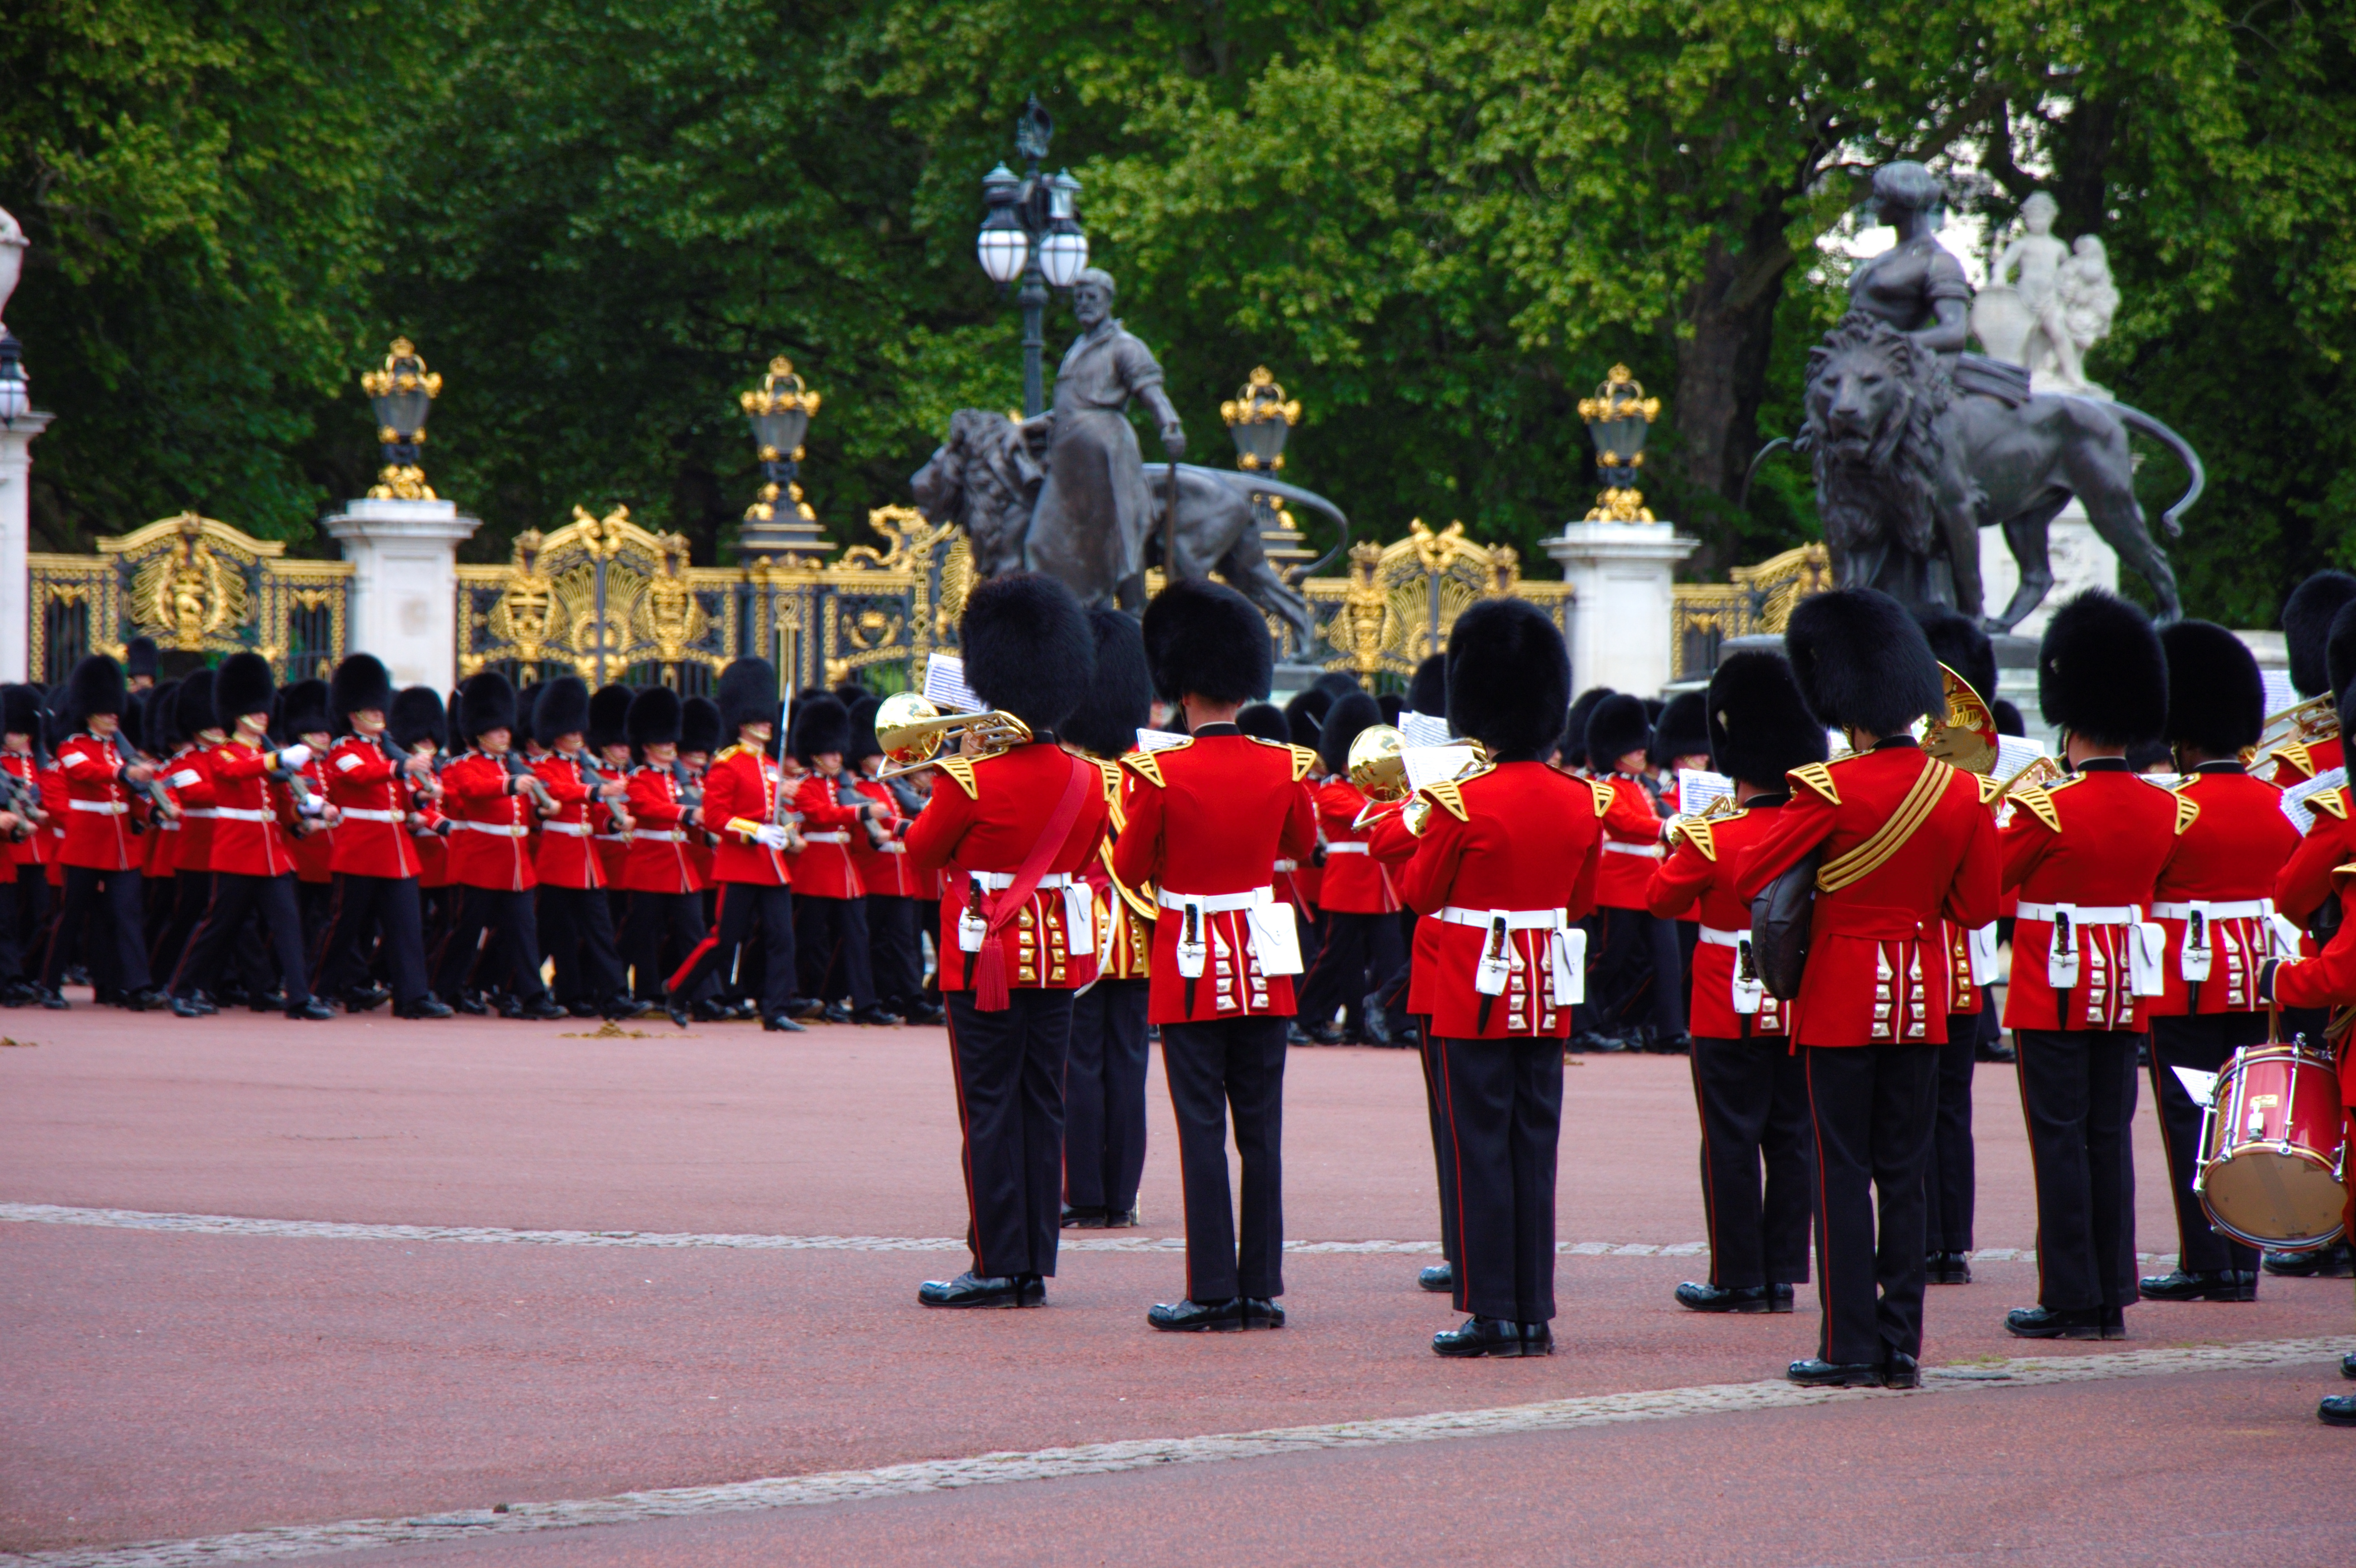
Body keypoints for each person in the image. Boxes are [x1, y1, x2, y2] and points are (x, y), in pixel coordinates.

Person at [1736, 588, 1998, 1390]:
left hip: (1842, 1000)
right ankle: (1901, 1343)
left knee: (1841, 1170)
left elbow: (1749, 872)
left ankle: (1849, 1343)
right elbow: (1976, 907)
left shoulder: (1831, 789)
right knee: (1905, 1173)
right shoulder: (1962, 791)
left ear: (1847, 707)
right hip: (1922, 1000)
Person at [1386, 599, 1603, 1357]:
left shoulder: (1460, 801)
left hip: (1471, 991)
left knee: (1478, 1146)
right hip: (1545, 990)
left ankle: (1491, 1312)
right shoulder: (1582, 801)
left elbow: (1420, 893)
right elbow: (1582, 901)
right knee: (1533, 1146)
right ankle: (1534, 1312)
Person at [1115, 579, 1317, 1331]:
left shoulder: (1159, 772)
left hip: (1192, 965)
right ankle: (1259, 1288)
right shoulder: (1283, 765)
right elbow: (1302, 844)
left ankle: (1210, 1290)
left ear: (1181, 687)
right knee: (1261, 1132)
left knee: (1201, 1130)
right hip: (1262, 961)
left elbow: (1129, 867)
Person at [905, 573, 1109, 1309]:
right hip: (1055, 960)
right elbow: (1085, 859)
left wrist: (943, 775)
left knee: (988, 1107)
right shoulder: (1089, 780)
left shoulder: (969, 779)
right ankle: (1032, 1267)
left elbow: (921, 855)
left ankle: (995, 1263)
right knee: (1042, 1104)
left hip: (982, 957)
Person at [1998, 590, 2180, 1342]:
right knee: (2109, 1136)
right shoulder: (2163, 807)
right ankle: (2111, 1294)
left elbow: (1987, 883)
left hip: (2053, 987)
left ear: (2068, 725)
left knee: (2058, 1140)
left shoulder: (2048, 808)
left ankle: (2069, 1295)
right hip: (2123, 987)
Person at [1648, 651, 1823, 1316]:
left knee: (1729, 1138)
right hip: (1799, 998)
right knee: (1791, 1136)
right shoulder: (1815, 831)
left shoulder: (1711, 836)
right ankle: (1781, 1274)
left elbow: (1660, 900)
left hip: (1725, 1002)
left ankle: (1736, 1275)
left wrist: (1673, 848)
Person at [2138, 621, 2301, 1304]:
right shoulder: (2279, 805)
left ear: (2183, 737)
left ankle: (2205, 1260)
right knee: (2250, 1115)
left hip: (2186, 981)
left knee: (2190, 1117)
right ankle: (2244, 1260)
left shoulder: (2174, 808)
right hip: (2259, 979)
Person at [1915, 608, 2006, 1282]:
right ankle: (1949, 1246)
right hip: (1962, 970)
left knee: (1920, 1105)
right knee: (1949, 1107)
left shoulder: (1952, 783)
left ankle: (1932, 1240)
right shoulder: (1984, 783)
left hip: (1923, 966)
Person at [1060, 605, 1158, 1230]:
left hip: (1077, 934)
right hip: (1140, 935)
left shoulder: (1068, 772)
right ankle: (1121, 1195)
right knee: (1128, 1067)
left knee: (1078, 1067)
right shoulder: (1149, 773)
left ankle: (1084, 1193)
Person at [167, 652, 331, 1020]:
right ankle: (181, 989)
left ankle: (299, 998)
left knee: (288, 925)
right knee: (217, 926)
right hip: (237, 852)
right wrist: (277, 761)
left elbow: (282, 806)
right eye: (255, 710)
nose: (263, 715)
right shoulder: (223, 753)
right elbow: (237, 772)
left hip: (272, 853)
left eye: (264, 709)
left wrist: (310, 810)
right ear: (237, 714)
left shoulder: (265, 755)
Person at [663, 658, 805, 1033]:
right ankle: (678, 990)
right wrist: (755, 832)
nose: (768, 724)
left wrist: (785, 829)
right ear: (743, 722)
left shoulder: (771, 765)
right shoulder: (727, 764)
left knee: (782, 939)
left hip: (771, 865)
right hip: (741, 863)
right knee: (724, 941)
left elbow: (775, 811)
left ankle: (776, 1010)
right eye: (760, 719)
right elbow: (715, 818)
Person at [313, 655, 449, 1019]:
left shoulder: (386, 751)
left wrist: (423, 794)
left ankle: (412, 997)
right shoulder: (343, 750)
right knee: (343, 925)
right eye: (371, 709)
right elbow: (359, 776)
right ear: (354, 713)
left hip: (395, 850)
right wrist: (401, 766)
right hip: (360, 848)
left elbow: (402, 800)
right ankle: (316, 989)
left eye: (379, 707)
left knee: (407, 926)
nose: (378, 714)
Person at [43, 656, 172, 1011]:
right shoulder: (72, 746)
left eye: (116, 710)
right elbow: (86, 772)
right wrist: (126, 773)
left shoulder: (122, 750)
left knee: (127, 916)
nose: (115, 716)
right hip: (85, 843)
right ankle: (49, 984)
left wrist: (153, 811)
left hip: (121, 846)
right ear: (89, 712)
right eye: (106, 711)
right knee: (71, 916)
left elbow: (132, 801)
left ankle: (135, 986)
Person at [434, 672, 563, 1019]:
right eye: (496, 730)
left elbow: (523, 814)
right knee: (466, 931)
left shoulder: (514, 766)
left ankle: (531, 995)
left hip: (515, 863)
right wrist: (511, 785)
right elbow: (473, 791)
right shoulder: (461, 766)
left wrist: (541, 810)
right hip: (481, 861)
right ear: (479, 733)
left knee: (524, 931)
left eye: (506, 729)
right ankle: (445, 988)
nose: (505, 734)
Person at [527, 676, 639, 1022]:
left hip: (587, 860)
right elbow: (559, 793)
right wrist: (596, 792)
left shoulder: (584, 768)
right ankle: (543, 991)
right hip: (559, 858)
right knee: (555, 932)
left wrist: (614, 823)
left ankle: (614, 995)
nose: (578, 736)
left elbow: (594, 815)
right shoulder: (544, 767)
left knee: (600, 931)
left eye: (580, 730)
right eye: (571, 731)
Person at [1296, 690, 1405, 1045]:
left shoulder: (1380, 792)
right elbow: (1366, 816)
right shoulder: (1332, 793)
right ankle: (1303, 1015)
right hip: (1346, 886)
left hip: (1379, 887)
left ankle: (1383, 1022)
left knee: (1392, 958)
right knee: (1334, 958)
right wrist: (1399, 800)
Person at [785, 695, 895, 1025]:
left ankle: (861, 1003)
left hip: (846, 871)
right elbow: (822, 815)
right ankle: (795, 995)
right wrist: (862, 811)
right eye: (830, 752)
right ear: (815, 754)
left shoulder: (842, 786)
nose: (837, 756)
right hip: (817, 870)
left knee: (856, 937)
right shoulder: (805, 787)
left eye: (838, 751)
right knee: (808, 939)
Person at [1579, 693, 1679, 1051]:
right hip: (1620, 886)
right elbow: (1624, 824)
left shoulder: (1642, 788)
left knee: (1664, 961)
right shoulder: (1604, 788)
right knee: (1609, 960)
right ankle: (1581, 1019)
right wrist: (1666, 827)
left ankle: (1659, 1028)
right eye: (1633, 748)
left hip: (1652, 882)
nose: (1641, 752)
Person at [618, 686, 707, 1013]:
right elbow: (648, 807)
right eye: (664, 741)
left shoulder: (680, 781)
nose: (671, 745)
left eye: (672, 740)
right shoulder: (639, 779)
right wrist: (687, 813)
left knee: (694, 933)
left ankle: (703, 996)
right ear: (647, 745)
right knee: (639, 934)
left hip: (681, 867)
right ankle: (618, 989)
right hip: (651, 866)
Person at [1, 686, 54, 1005]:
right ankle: (13, 975)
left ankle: (28, 971)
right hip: (12, 850)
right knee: (10, 919)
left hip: (41, 851)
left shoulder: (42, 762)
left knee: (42, 914)